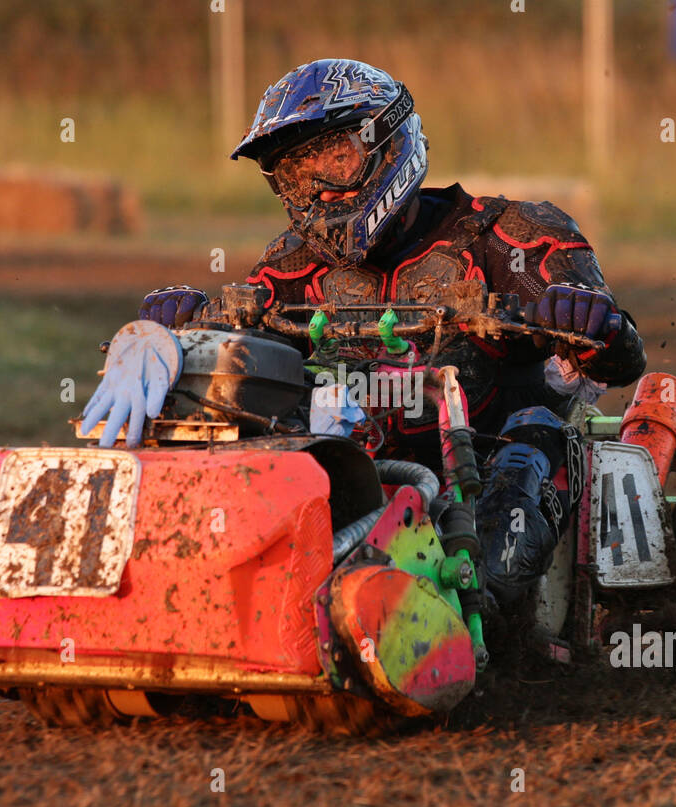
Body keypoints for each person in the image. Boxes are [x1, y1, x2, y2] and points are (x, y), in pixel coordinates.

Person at [85, 58, 646, 610]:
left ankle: (482, 614)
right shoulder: (290, 267)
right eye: (296, 174)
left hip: (490, 473)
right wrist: (183, 334)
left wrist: (588, 320)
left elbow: (619, 362)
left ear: (387, 143)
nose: (321, 190)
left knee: (536, 435)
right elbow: (248, 365)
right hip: (355, 473)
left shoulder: (510, 237)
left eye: (335, 157)